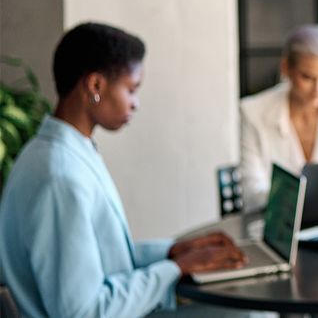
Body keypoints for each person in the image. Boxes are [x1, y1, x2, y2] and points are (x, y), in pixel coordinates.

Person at [0, 22, 247, 318]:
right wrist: (175, 268)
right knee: (249, 315)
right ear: (95, 86)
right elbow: (83, 312)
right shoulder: (60, 176)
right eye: (131, 89)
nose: (136, 104)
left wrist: (172, 252)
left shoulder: (64, 151)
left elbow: (99, 262)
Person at [239, 24, 318, 211]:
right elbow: (252, 193)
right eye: (307, 77)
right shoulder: (253, 111)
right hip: (276, 223)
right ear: (286, 67)